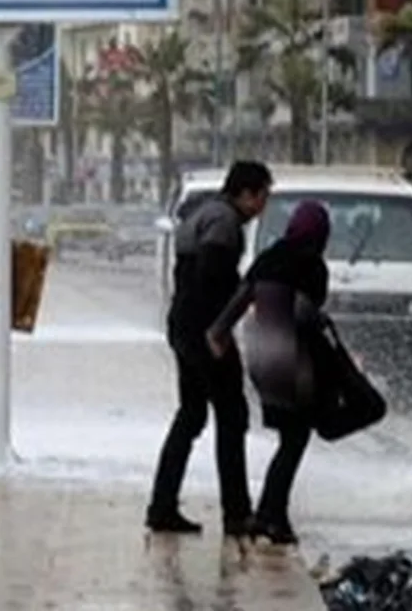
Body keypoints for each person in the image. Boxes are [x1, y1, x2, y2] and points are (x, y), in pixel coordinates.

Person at [146, 160, 273, 537]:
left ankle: (162, 506)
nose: (263, 206)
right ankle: (237, 513)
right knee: (231, 416)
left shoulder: (204, 213)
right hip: (203, 331)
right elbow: (210, 281)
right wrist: (217, 335)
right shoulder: (223, 223)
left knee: (191, 415)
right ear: (246, 193)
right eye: (262, 197)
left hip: (184, 326)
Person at [206, 200, 333, 545]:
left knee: (290, 436)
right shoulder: (313, 267)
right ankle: (271, 514)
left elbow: (240, 299)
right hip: (293, 360)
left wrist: (218, 334)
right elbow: (305, 313)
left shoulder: (268, 258)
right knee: (295, 438)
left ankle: (271, 512)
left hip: (262, 358)